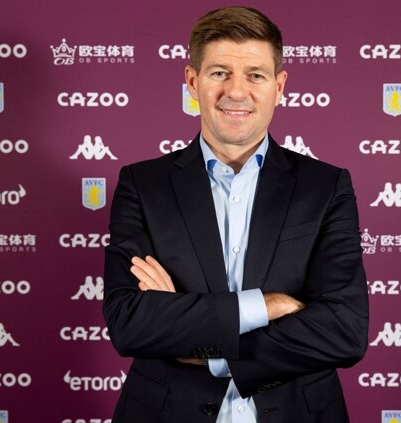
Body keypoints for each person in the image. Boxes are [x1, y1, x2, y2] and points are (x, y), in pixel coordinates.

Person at [103, 6, 369, 422]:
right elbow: (130, 323)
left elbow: (343, 330)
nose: (237, 91)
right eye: (219, 73)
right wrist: (267, 305)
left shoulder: (326, 186)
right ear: (193, 82)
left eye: (255, 75)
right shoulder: (142, 184)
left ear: (279, 86)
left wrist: (210, 350)